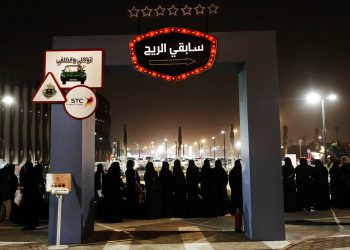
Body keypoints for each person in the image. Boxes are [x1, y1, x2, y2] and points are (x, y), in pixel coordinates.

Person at [20, 161, 40, 229]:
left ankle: (29, 224)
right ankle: (32, 224)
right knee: (32, 210)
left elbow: (24, 182)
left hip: (28, 195)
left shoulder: (27, 175)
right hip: (33, 195)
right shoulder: (34, 174)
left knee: (28, 210)